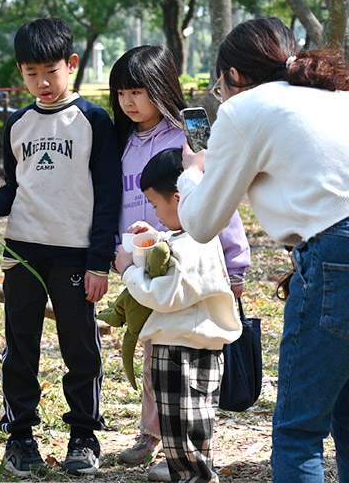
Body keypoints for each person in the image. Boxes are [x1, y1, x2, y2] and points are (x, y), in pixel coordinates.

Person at [176, 17, 349, 483]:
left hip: (335, 257)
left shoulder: (244, 109)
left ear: (234, 76)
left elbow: (201, 222)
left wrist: (194, 171)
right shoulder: (337, 96)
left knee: (298, 432)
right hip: (336, 250)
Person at [0, 18, 122, 477]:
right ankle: (20, 439)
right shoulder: (18, 123)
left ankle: (84, 436)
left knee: (80, 347)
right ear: (21, 73)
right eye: (31, 73)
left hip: (76, 255)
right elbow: (17, 186)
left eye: (50, 71)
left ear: (71, 65)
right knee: (21, 348)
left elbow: (108, 194)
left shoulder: (94, 121)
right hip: (23, 253)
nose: (42, 82)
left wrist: (99, 262)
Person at [108, 45, 251, 481]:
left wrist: (235, 263)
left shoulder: (190, 136)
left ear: (161, 88)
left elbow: (218, 196)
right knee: (153, 349)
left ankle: (184, 446)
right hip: (141, 259)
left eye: (138, 91)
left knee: (184, 357)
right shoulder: (121, 142)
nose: (129, 102)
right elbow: (115, 201)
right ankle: (154, 435)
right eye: (121, 93)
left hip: (188, 262)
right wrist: (117, 253)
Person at [114, 148, 242, 483]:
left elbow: (164, 295)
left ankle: (195, 478)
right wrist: (152, 238)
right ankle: (188, 474)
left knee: (184, 431)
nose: (156, 215)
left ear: (178, 197)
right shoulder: (192, 237)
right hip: (188, 346)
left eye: (156, 206)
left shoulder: (192, 245)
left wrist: (128, 271)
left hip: (182, 351)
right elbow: (171, 248)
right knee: (188, 430)